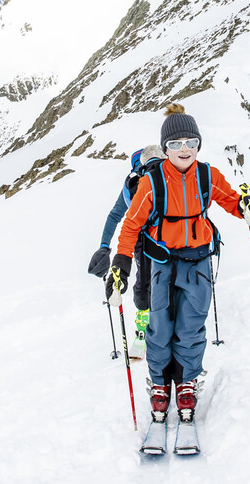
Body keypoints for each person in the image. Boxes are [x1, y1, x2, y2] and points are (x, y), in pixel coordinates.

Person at [108, 103, 250, 427]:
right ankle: (161, 383)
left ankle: (187, 381)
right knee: (160, 327)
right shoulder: (152, 182)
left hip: (197, 263)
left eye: (191, 143)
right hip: (162, 263)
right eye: (176, 144)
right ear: (165, 148)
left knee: (191, 326)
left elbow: (229, 198)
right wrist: (121, 263)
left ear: (198, 145)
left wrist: (246, 206)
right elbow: (131, 225)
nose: (184, 150)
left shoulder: (207, 175)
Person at [88, 145, 165, 358]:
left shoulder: (132, 185)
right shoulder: (170, 174)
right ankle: (172, 331)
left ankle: (142, 335)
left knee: (144, 287)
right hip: (173, 238)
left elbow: (114, 216)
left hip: (143, 241)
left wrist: (104, 246)